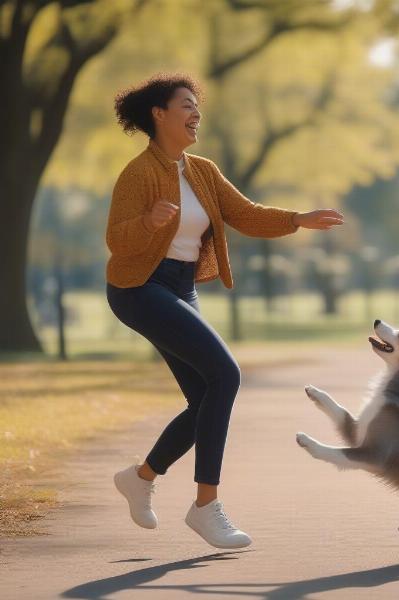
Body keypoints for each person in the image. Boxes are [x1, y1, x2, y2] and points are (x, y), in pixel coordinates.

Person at [106, 72, 344, 549]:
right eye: (187, 105)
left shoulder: (203, 171)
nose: (197, 115)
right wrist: (146, 221)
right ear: (159, 114)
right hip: (138, 287)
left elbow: (245, 214)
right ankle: (205, 506)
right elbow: (116, 238)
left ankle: (141, 477)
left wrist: (297, 219)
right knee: (226, 374)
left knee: (206, 398)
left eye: (199, 107)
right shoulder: (139, 173)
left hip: (179, 287)